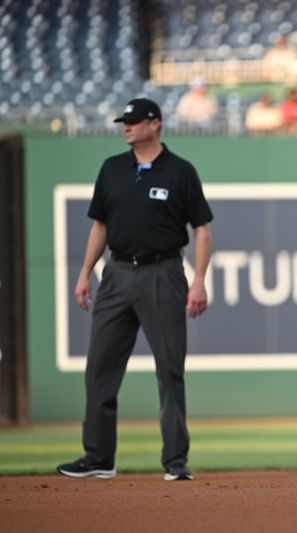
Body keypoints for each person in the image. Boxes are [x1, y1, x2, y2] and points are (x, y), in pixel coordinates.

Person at [57, 98, 213, 481]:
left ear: (154, 124)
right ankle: (98, 457)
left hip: (163, 272)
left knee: (169, 369)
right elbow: (100, 226)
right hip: (116, 273)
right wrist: (84, 273)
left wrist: (198, 280)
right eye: (123, 121)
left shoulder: (180, 171)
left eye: (133, 121)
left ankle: (175, 461)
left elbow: (202, 229)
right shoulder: (112, 169)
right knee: (99, 369)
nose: (125, 126)